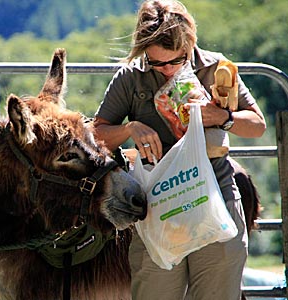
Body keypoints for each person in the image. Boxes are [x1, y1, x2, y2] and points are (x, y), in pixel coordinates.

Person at [93, 1, 266, 299]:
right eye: (158, 63)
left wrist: (223, 117)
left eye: (177, 61)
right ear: (142, 48)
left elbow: (257, 125)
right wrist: (129, 129)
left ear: (190, 43)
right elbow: (96, 135)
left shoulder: (217, 68)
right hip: (157, 204)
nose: (168, 70)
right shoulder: (129, 77)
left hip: (216, 196)